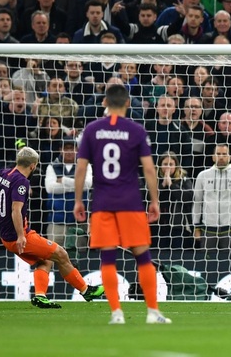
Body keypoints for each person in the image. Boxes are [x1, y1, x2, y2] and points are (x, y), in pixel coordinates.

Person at [72, 84, 171, 325]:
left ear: (105, 102)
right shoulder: (136, 130)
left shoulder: (92, 130)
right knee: (143, 257)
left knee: (108, 259)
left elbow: (82, 167)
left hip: (102, 203)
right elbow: (148, 168)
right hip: (130, 203)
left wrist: (78, 201)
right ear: (128, 103)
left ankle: (116, 314)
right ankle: (153, 313)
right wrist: (155, 200)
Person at [0, 146, 105, 310]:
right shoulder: (22, 181)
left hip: (8, 236)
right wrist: (21, 236)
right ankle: (86, 290)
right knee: (61, 254)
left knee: (46, 261)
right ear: (33, 166)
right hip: (19, 236)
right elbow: (16, 210)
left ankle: (40, 296)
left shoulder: (2, 174)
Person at [192, 143, 231, 250]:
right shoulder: (202, 175)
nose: (221, 157)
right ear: (213, 156)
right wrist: (196, 227)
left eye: (224, 154)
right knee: (206, 264)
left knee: (230, 264)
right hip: (208, 229)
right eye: (218, 154)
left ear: (229, 157)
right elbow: (197, 202)